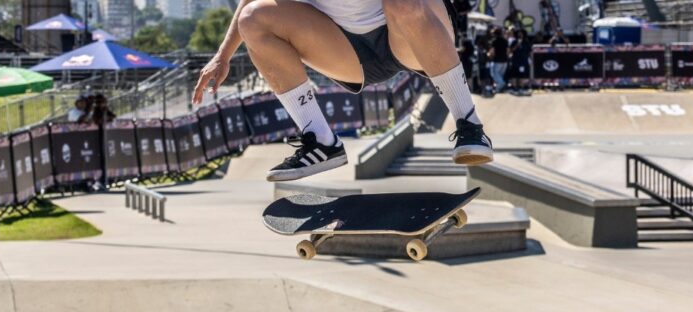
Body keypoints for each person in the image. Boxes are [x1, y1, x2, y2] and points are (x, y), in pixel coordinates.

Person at [192, 0, 493, 182]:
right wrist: (223, 56)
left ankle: (470, 123)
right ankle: (321, 141)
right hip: (347, 51)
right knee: (253, 20)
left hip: (413, 28)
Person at [488, 27, 509, 93]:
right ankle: (498, 89)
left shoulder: (494, 41)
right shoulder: (505, 41)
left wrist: (489, 55)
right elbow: (507, 51)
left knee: (494, 74)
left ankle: (502, 84)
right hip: (505, 61)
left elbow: (492, 51)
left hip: (497, 60)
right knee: (500, 75)